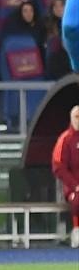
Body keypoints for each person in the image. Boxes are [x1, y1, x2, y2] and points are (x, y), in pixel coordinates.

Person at [51, 106, 79, 249]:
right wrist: (75, 185)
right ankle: (76, 231)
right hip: (73, 187)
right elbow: (58, 167)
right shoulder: (65, 139)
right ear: (71, 118)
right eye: (77, 117)